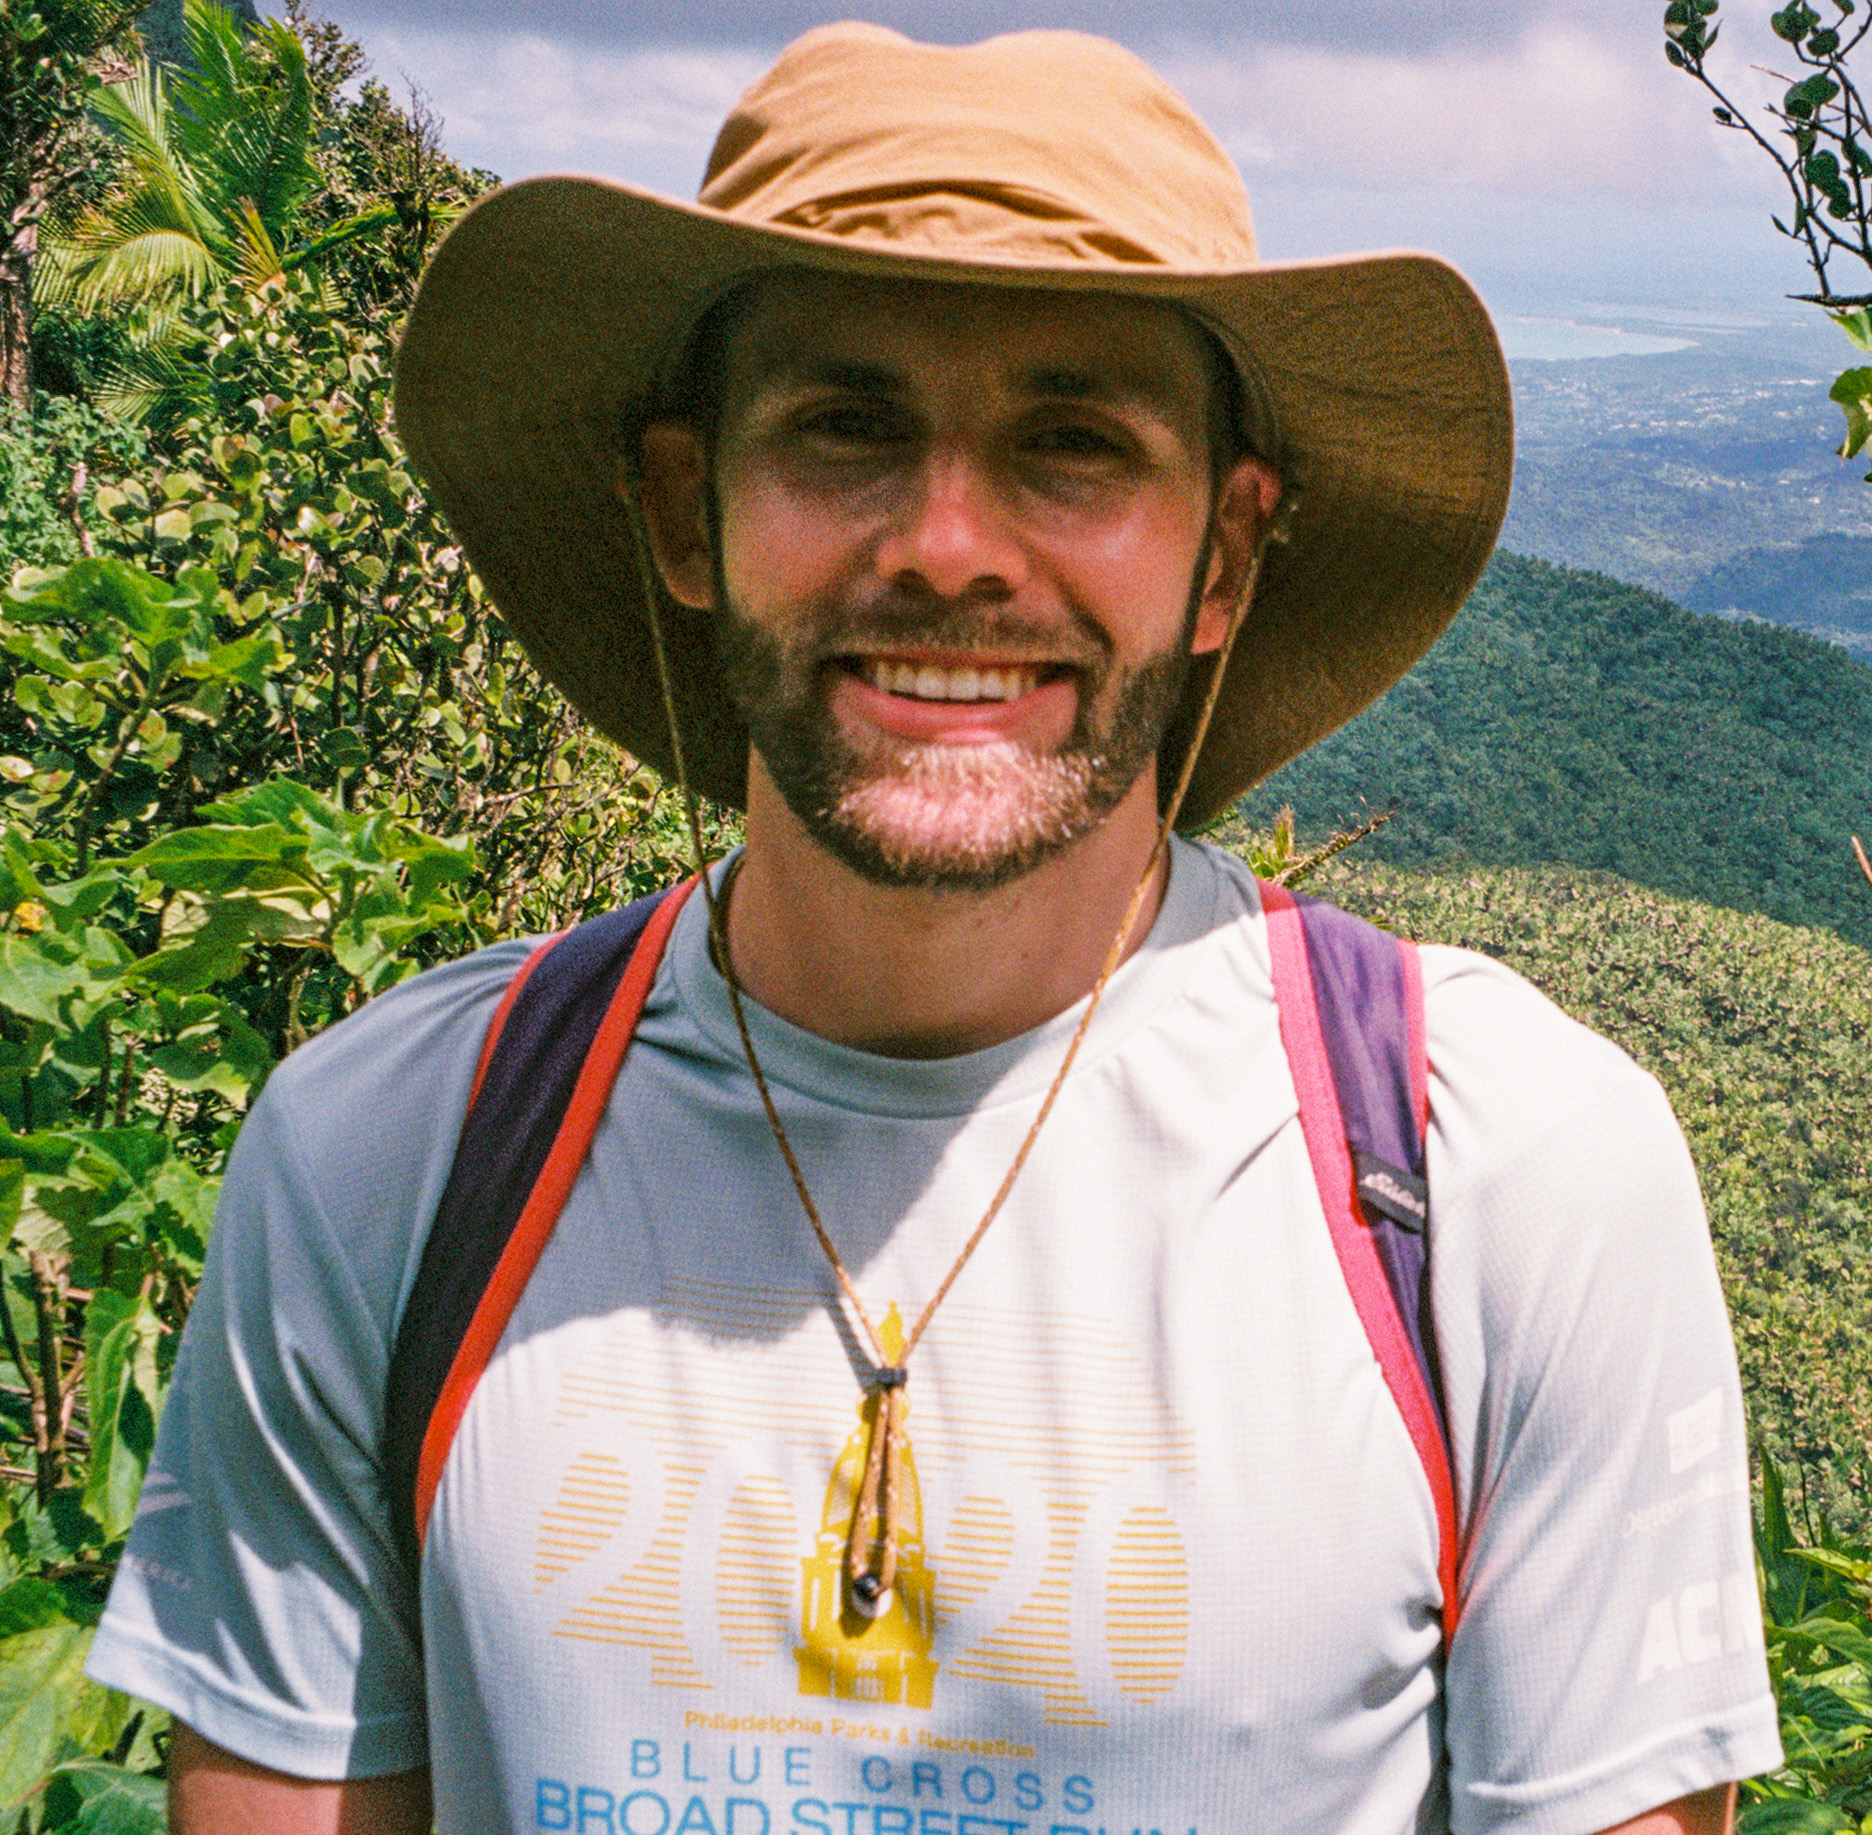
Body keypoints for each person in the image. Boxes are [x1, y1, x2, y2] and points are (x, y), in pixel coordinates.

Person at [88, 24, 1781, 1835]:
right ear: (685, 510)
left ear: (1224, 557)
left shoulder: (1492, 1179)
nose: (952, 544)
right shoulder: (392, 1158)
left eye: (1072, 444)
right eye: (845, 426)